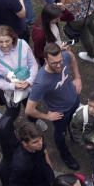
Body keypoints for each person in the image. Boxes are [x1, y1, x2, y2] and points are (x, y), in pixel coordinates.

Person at [25, 42, 82, 170]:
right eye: (54, 63)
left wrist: (77, 77)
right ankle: (65, 155)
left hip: (74, 100)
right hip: (60, 113)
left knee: (75, 122)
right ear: (45, 60)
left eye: (60, 61)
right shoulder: (41, 82)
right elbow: (29, 110)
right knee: (60, 135)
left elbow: (72, 58)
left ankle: (74, 134)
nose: (59, 65)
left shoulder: (65, 56)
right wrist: (46, 116)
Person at [0, 25, 38, 119]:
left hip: (29, 85)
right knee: (13, 111)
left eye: (7, 41)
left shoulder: (22, 44)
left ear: (13, 38)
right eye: (0, 42)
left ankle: (34, 120)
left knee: (30, 105)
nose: (4, 45)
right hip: (9, 91)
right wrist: (12, 86)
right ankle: (10, 124)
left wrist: (29, 81)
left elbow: (33, 65)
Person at [8, 121, 55, 186]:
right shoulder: (20, 164)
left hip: (47, 182)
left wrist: (49, 166)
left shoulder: (39, 143)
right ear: (25, 143)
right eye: (35, 142)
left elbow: (44, 151)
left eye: (41, 139)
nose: (40, 143)